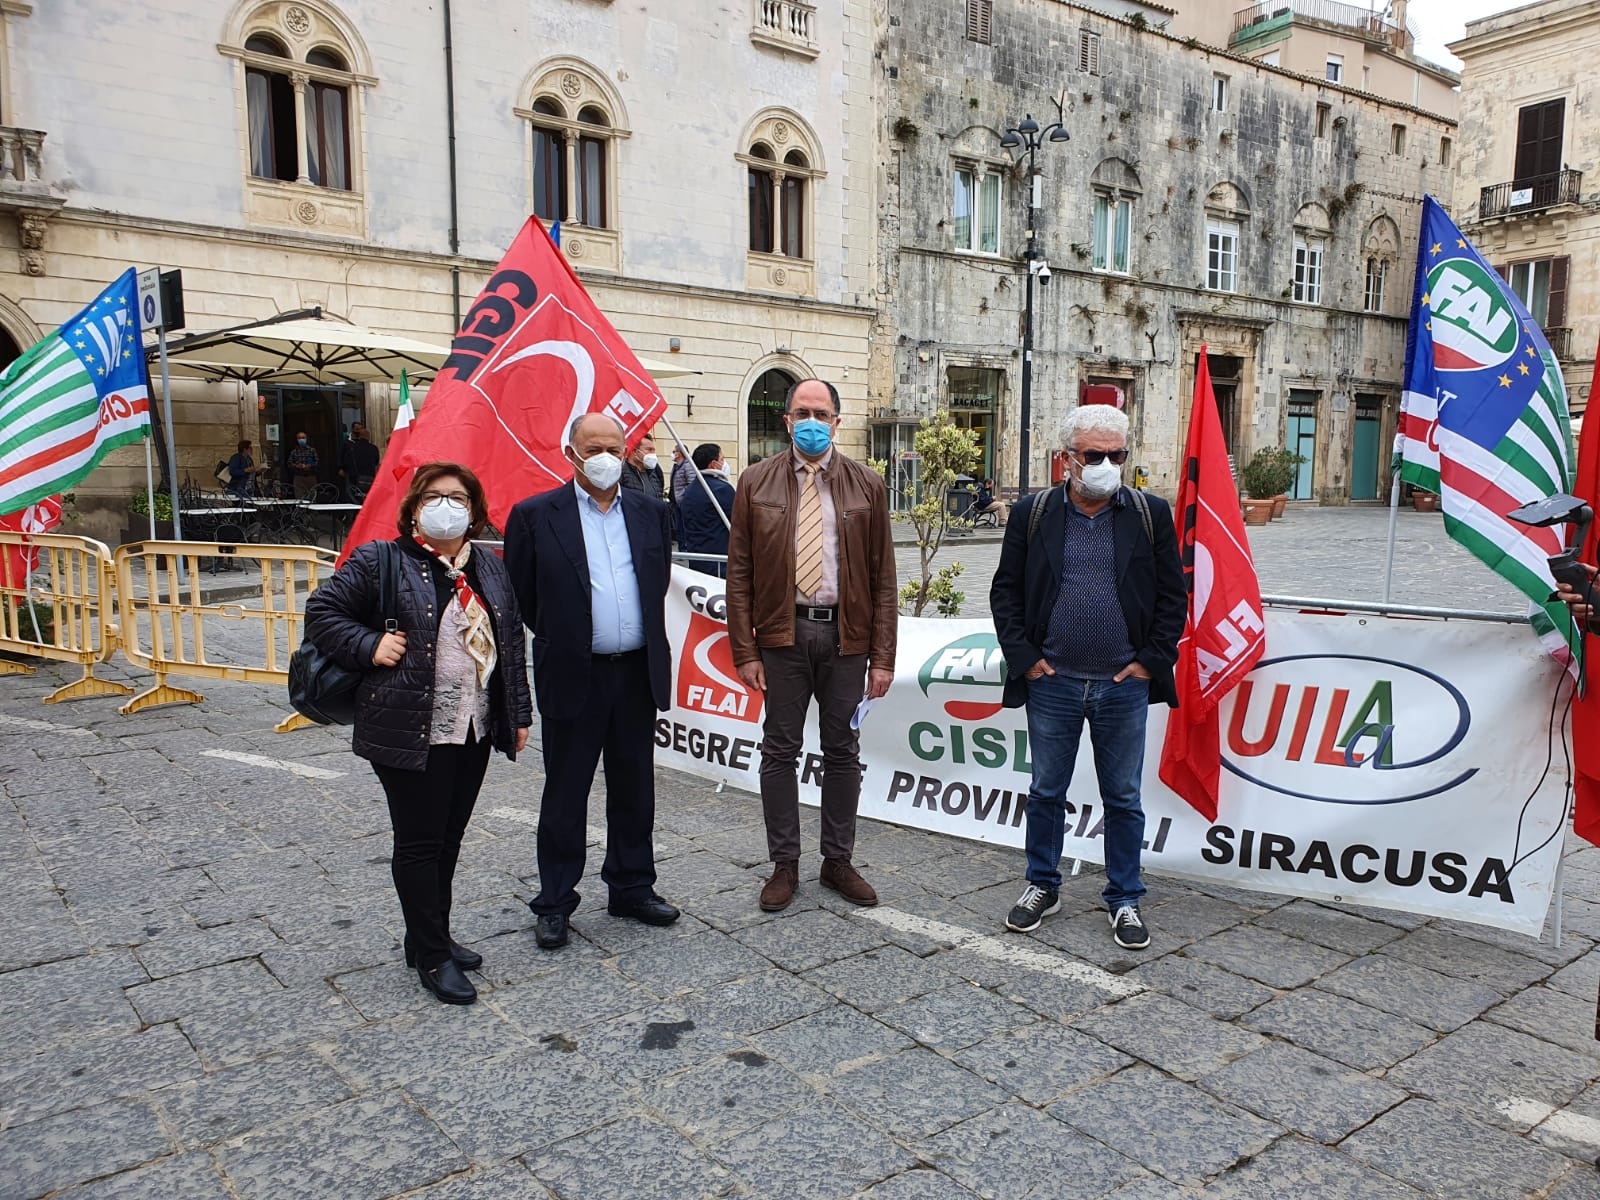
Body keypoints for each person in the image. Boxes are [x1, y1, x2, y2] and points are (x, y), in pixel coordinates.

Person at [303, 462, 532, 1005]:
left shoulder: (490, 568)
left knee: (448, 838)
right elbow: (322, 610)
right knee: (420, 842)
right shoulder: (380, 559)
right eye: (434, 496)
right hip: (411, 727)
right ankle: (431, 956)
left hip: (472, 725)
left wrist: (517, 715)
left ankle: (431, 935)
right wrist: (368, 646)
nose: (446, 504)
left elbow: (511, 648)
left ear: (475, 509)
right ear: (414, 508)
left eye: (457, 496)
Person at [989, 404, 1185, 950]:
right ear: (1066, 458)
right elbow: (1005, 591)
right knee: (1046, 790)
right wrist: (1026, 657)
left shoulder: (1150, 515)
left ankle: (1124, 897)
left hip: (1123, 686)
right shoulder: (1034, 513)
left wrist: (1150, 660)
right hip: (1052, 681)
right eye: (1093, 455)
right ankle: (1041, 885)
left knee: (1122, 796)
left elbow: (1174, 597)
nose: (1104, 464)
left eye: (1115, 455)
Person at [504, 412, 679, 949]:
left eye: (613, 446)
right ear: (570, 452)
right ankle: (555, 900)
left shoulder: (653, 513)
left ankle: (631, 885)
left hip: (635, 673)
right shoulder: (535, 516)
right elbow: (524, 597)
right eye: (592, 446)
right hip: (572, 673)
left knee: (635, 789)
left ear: (626, 451)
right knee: (565, 792)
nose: (604, 456)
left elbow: (657, 581)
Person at [727, 379, 897, 913]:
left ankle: (837, 861)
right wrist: (746, 651)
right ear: (786, 421)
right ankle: (784, 865)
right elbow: (739, 575)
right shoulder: (755, 483)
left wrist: (884, 657)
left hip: (847, 638)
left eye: (821, 412)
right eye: (802, 412)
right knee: (779, 750)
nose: (811, 421)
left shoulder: (867, 485)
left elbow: (883, 577)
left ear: (837, 421)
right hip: (782, 636)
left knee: (843, 751)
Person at [677, 443, 736, 577]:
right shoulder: (722, 489)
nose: (724, 463)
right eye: (722, 459)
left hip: (697, 560)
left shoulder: (690, 490)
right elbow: (739, 523)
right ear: (714, 464)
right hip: (720, 563)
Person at [339, 422, 380, 500]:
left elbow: (346, 460)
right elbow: (376, 463)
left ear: (360, 436)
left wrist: (342, 468)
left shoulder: (352, 447)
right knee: (367, 498)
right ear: (368, 437)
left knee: (353, 497)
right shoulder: (374, 448)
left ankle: (353, 511)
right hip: (369, 477)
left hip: (354, 476)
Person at [620, 431, 665, 499]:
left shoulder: (656, 470)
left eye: (653, 450)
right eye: (649, 449)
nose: (653, 454)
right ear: (634, 451)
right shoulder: (621, 471)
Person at [287, 432, 320, 499]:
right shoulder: (294, 452)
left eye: (303, 438)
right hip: (299, 478)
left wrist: (309, 466)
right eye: (299, 438)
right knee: (299, 498)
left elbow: (317, 462)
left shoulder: (311, 450)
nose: (301, 439)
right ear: (297, 439)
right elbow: (289, 463)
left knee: (312, 497)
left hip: (311, 477)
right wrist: (296, 466)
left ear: (306, 439)